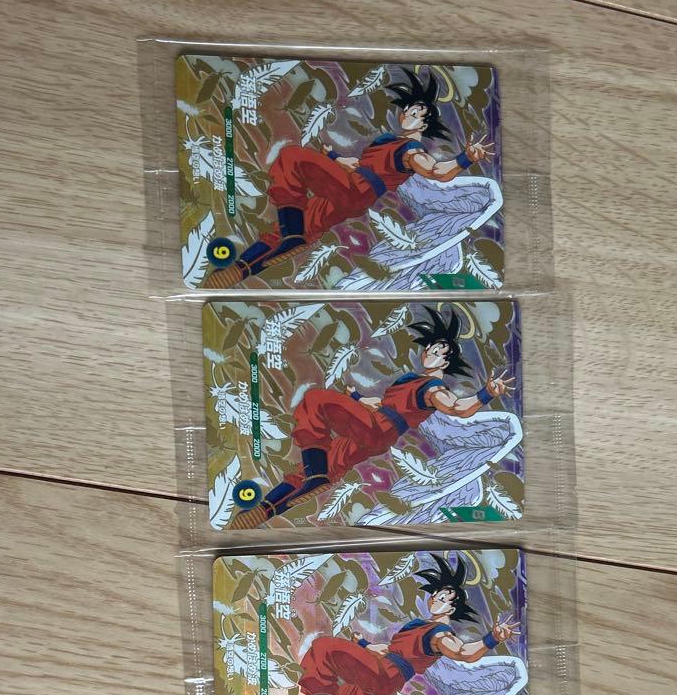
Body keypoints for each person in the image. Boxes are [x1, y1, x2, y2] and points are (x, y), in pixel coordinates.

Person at [203, 68, 493, 288]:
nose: (407, 113)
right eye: (408, 108)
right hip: (348, 190)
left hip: (357, 190)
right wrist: (333, 158)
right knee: (290, 231)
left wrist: (466, 158)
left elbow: (436, 172)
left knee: (291, 158)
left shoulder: (411, 151)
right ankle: (240, 270)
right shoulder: (391, 143)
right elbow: (357, 165)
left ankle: (292, 234)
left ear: (425, 123)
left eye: (416, 111)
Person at [229, 306, 513, 530]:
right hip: (372, 429)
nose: (430, 352)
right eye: (430, 347)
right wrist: (356, 398)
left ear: (446, 362)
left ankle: (314, 475)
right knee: (316, 471)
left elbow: (457, 408)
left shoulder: (433, 389)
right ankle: (265, 511)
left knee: (315, 401)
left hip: (379, 429)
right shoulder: (414, 380)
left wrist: (486, 393)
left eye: (439, 352)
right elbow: (380, 404)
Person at [237, 554, 517, 695]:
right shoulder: (420, 626)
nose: (435, 599)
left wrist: (492, 638)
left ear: (452, 609)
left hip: (387, 675)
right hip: (377, 676)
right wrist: (361, 644)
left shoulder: (440, 635)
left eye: (444, 598)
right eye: (436, 595)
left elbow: (464, 653)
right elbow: (385, 650)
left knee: (323, 648)